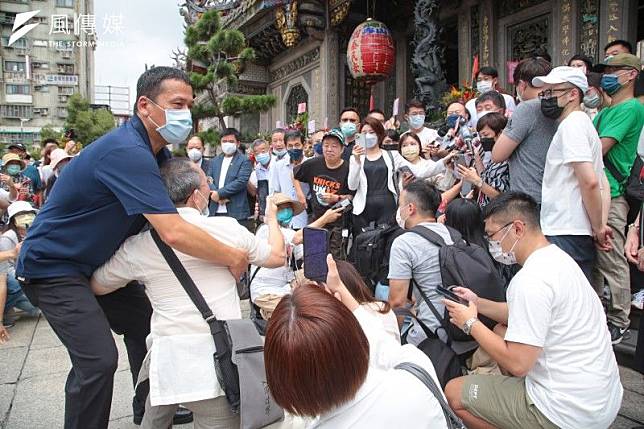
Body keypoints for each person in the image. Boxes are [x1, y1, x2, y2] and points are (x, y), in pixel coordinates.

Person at [16, 66, 248, 429]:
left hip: (93, 263)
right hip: (53, 268)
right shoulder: (126, 150)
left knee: (143, 321)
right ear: (145, 105)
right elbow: (172, 231)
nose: (185, 113)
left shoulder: (156, 156)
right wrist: (234, 255)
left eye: (189, 104)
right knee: (97, 361)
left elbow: (167, 223)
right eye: (176, 103)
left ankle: (150, 408)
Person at [90, 159, 285, 429]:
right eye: (207, 183)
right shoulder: (227, 229)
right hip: (215, 370)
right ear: (196, 197)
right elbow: (277, 256)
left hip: (165, 362)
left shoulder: (140, 245)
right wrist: (272, 219)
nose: (210, 188)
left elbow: (98, 284)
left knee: (153, 421)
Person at [443, 192, 623, 429]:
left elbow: (518, 364)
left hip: (565, 411)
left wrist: (470, 323)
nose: (492, 245)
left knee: (454, 392)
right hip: (601, 398)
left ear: (517, 228)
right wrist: (478, 302)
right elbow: (522, 313)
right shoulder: (558, 259)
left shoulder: (529, 280)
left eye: (492, 236)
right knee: (500, 329)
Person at [264, 256, 449, 428]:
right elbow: (380, 340)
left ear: (283, 384)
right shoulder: (415, 369)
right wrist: (339, 300)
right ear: (356, 339)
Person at [530, 66, 611, 281]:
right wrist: (599, 225)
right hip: (575, 228)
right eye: (544, 93)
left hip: (565, 227)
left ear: (573, 94)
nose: (546, 99)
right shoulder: (583, 124)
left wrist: (598, 227)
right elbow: (602, 183)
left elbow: (591, 182)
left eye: (551, 93)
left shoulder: (572, 126)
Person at [591, 53, 644, 344]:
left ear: (631, 74)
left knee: (611, 259)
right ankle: (598, 313)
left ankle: (619, 320)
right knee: (597, 261)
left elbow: (598, 148)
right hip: (596, 191)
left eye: (614, 70)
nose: (608, 75)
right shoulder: (605, 111)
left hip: (612, 193)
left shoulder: (631, 108)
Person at [387, 180, 464, 348]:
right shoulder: (453, 234)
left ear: (411, 209)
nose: (398, 212)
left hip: (430, 334)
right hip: (461, 328)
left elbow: (397, 302)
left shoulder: (404, 243)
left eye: (400, 205)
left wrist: (392, 342)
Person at [349, 118, 453, 239]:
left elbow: (419, 172)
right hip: (364, 208)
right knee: (363, 243)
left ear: (379, 134)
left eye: (371, 132)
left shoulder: (392, 155)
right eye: (364, 133)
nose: (368, 136)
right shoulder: (355, 158)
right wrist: (356, 160)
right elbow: (352, 185)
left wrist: (444, 162)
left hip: (387, 206)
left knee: (386, 241)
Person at [251, 193, 341, 319]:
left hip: (285, 285)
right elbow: (298, 237)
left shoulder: (288, 232)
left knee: (315, 279)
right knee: (294, 315)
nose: (286, 211)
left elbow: (304, 254)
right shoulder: (266, 230)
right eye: (281, 208)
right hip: (266, 291)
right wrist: (325, 218)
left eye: (289, 208)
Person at [492, 57, 557, 206]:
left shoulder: (527, 108)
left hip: (530, 195)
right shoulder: (560, 105)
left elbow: (498, 155)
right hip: (554, 193)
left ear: (521, 85)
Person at [294, 128, 353, 259]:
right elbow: (294, 173)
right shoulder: (313, 164)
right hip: (317, 219)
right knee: (314, 258)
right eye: (326, 145)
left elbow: (352, 197)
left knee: (334, 261)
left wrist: (336, 198)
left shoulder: (348, 168)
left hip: (338, 223)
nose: (329, 149)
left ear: (342, 149)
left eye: (334, 146)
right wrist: (300, 194)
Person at [0, 201, 40, 331]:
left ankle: (10, 307)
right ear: (13, 219)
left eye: (29, 213)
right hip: (10, 279)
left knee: (37, 310)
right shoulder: (7, 238)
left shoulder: (31, 232)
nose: (27, 217)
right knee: (20, 279)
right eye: (22, 214)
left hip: (17, 280)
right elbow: (3, 276)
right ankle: (5, 312)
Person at [457, 112, 510, 208]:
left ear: (500, 133)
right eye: (481, 136)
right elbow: (485, 177)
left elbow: (501, 197)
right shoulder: (494, 157)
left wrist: (476, 180)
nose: (483, 139)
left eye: (486, 135)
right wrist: (477, 157)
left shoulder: (507, 160)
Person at [207, 127, 253, 228]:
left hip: (236, 212)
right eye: (224, 141)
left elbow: (241, 181)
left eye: (231, 141)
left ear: (238, 143)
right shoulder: (214, 161)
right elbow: (209, 179)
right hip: (215, 211)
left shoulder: (244, 160)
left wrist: (220, 193)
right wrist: (216, 194)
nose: (227, 144)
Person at [270, 130, 309, 228]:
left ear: (303, 145)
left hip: (306, 215)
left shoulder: (310, 165)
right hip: (285, 217)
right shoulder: (279, 166)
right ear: (286, 146)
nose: (294, 148)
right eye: (290, 146)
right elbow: (275, 191)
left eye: (297, 145)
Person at [249, 138, 273, 221]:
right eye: (257, 153)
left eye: (263, 151)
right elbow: (257, 192)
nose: (260, 155)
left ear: (269, 150)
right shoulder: (257, 169)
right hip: (265, 211)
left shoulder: (277, 164)